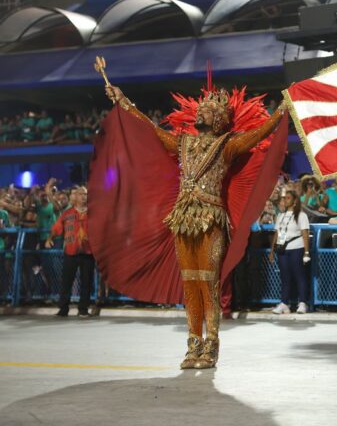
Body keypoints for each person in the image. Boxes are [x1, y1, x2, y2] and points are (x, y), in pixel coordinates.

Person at [97, 78, 286, 369]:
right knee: (190, 284)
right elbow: (151, 131)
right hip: (183, 219)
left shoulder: (227, 145)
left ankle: (211, 345)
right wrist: (123, 102)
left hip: (211, 219)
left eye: (208, 110)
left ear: (220, 119)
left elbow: (259, 134)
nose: (201, 113)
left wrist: (282, 110)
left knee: (208, 283)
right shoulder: (182, 143)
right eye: (201, 109)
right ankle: (192, 344)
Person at [45, 187, 93, 318]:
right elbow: (56, 228)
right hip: (70, 251)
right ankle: (63, 308)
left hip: (88, 251)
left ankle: (83, 309)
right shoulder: (67, 214)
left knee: (86, 282)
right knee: (66, 281)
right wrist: (49, 239)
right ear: (75, 197)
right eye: (81, 194)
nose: (84, 196)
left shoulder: (93, 212)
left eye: (86, 194)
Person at [270, 190, 311, 313]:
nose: (285, 200)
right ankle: (284, 303)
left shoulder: (301, 215)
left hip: (296, 248)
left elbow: (305, 233)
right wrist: (272, 251)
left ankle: (303, 302)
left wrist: (306, 252)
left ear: (294, 201)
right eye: (284, 198)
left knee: (299, 275)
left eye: (288, 198)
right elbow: (277, 233)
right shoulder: (281, 216)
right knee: (285, 276)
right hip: (283, 249)